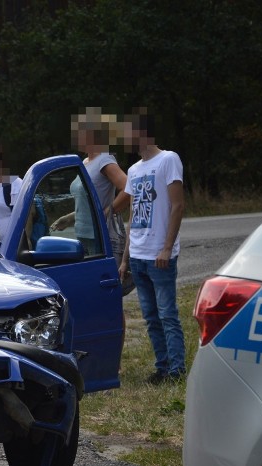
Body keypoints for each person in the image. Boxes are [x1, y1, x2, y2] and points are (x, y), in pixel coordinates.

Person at [118, 108, 187, 384]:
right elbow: (133, 215)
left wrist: (167, 248)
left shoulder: (168, 160)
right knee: (150, 316)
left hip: (160, 254)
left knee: (168, 314)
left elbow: (178, 205)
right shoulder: (134, 170)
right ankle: (162, 367)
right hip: (138, 255)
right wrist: (125, 258)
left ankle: (177, 370)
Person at [51, 109, 131, 279]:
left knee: (99, 282)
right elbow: (88, 200)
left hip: (98, 237)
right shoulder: (84, 162)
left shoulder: (105, 160)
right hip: (82, 235)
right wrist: (70, 217)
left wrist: (109, 211)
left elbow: (128, 188)